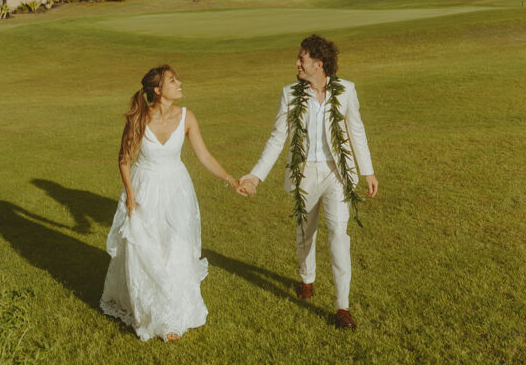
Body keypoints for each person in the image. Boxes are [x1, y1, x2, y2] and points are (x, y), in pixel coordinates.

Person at [239, 34, 378, 330]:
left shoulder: (346, 91)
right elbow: (278, 138)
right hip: (304, 175)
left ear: (319, 63)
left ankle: (343, 307)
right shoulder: (290, 93)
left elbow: (357, 130)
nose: (297, 64)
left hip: (336, 173)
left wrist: (367, 171)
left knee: (339, 236)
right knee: (305, 233)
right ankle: (307, 279)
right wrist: (255, 175)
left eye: (302, 59)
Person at [100, 64, 241, 341]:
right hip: (145, 190)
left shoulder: (188, 117)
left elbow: (204, 156)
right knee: (148, 251)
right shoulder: (139, 118)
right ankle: (154, 314)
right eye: (173, 81)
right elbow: (124, 160)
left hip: (177, 190)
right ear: (157, 90)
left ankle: (175, 315)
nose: (180, 83)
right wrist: (130, 195)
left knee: (176, 247)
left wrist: (231, 180)